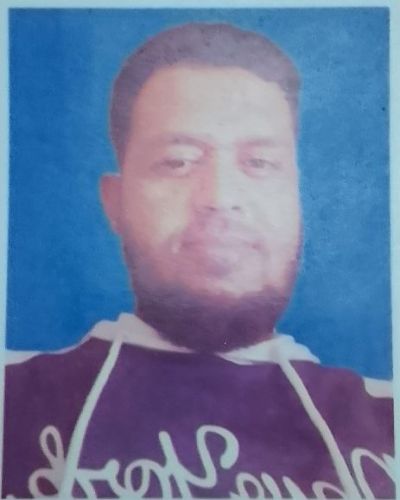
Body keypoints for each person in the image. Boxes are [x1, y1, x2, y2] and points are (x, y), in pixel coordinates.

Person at [3, 23, 394, 499]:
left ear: (298, 198)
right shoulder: (11, 396)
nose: (220, 198)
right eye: (178, 162)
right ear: (115, 203)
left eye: (259, 163)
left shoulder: (387, 414)